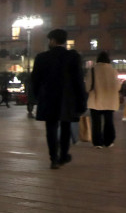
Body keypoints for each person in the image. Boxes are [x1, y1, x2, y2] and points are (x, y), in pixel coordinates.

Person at [31, 29, 87, 169]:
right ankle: (63, 155)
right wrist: (82, 101)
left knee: (51, 128)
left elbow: (35, 80)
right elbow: (79, 81)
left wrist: (36, 97)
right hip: (68, 99)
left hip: (48, 98)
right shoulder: (73, 57)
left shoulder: (42, 57)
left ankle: (53, 159)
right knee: (66, 127)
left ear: (53, 40)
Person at [87, 51, 121, 148]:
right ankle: (109, 141)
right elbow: (118, 87)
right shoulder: (113, 71)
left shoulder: (92, 70)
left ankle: (97, 142)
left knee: (96, 123)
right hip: (110, 101)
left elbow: (88, 87)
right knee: (109, 121)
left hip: (95, 100)